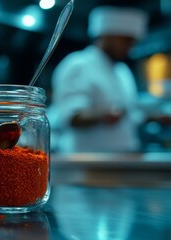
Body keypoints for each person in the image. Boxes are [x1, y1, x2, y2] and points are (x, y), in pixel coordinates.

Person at [50, 6, 148, 152]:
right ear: (106, 35)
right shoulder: (77, 65)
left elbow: (130, 114)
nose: (130, 48)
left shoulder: (122, 71)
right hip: (86, 160)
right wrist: (103, 116)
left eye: (132, 42)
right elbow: (71, 117)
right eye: (126, 41)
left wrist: (151, 117)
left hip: (124, 156)